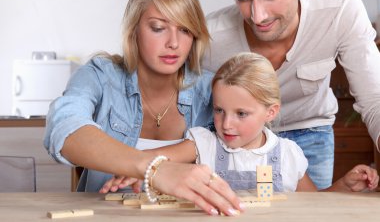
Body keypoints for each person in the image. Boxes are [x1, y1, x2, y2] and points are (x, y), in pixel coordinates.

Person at [43, 0, 243, 216]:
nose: (174, 43)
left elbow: (250, 145)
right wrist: (154, 168)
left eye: (185, 30)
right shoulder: (100, 76)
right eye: (158, 28)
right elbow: (63, 127)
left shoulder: (214, 89)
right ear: (134, 29)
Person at [201, 0, 380, 190]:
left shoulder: (339, 9)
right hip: (236, 141)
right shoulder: (210, 37)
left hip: (310, 131)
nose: (258, 17)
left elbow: (375, 98)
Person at [101, 53, 379, 193]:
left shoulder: (288, 154)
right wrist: (136, 167)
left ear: (271, 112)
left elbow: (315, 206)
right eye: (220, 110)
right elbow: (154, 158)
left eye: (241, 114)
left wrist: (344, 185)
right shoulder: (204, 143)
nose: (226, 124)